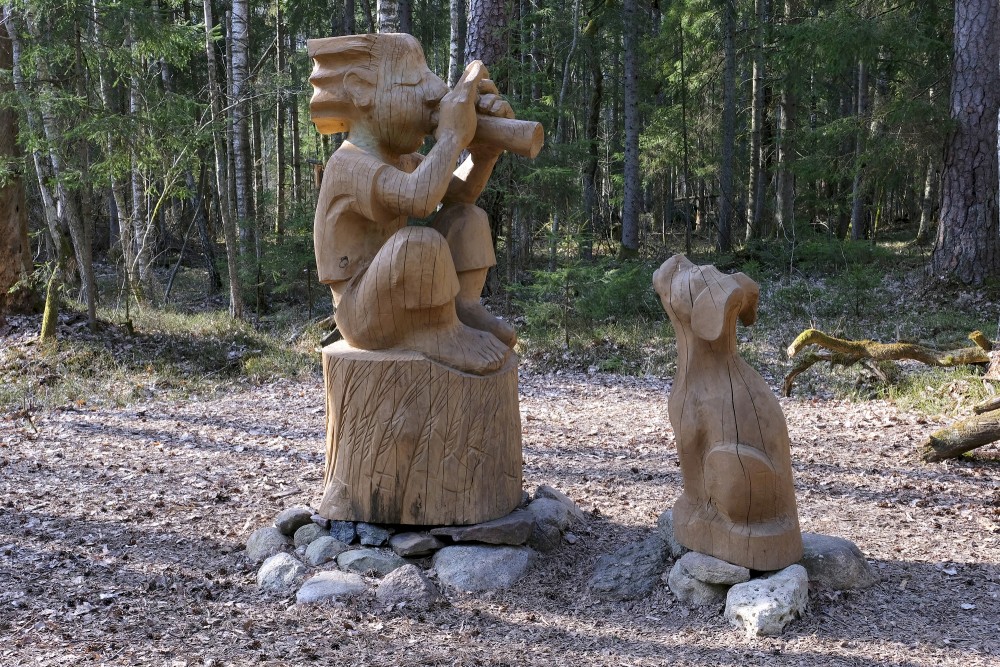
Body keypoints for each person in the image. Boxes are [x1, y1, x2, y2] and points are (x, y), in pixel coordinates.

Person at [308, 33, 516, 375]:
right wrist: (451, 136)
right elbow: (420, 199)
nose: (434, 93)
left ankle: (464, 307)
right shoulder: (349, 165)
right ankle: (438, 331)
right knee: (417, 243)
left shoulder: (402, 159)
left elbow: (458, 193)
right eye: (414, 83)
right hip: (362, 313)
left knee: (468, 216)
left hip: (393, 295)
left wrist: (484, 153)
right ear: (360, 90)